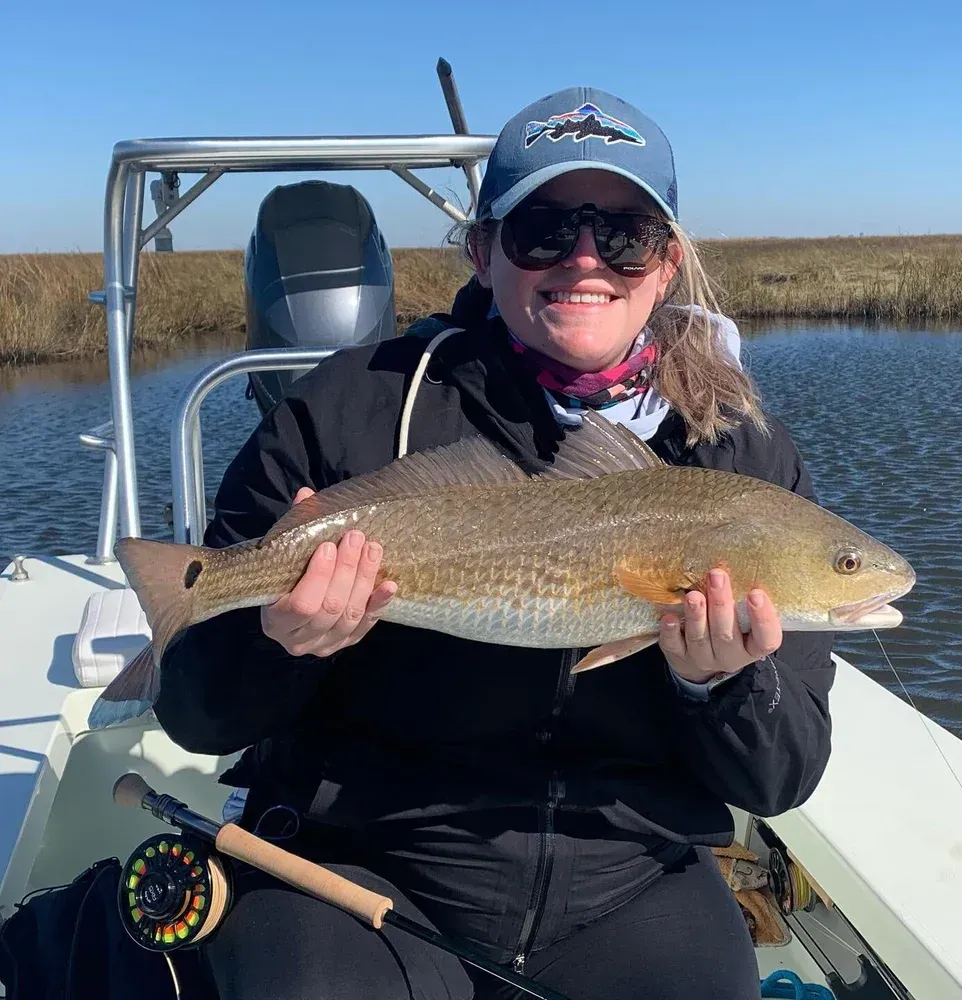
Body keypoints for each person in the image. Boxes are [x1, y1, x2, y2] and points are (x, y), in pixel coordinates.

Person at [154, 87, 836, 1000]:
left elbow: (779, 779)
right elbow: (198, 717)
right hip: (365, 861)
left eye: (625, 233)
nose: (585, 258)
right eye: (543, 230)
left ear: (667, 263)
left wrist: (720, 685)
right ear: (483, 250)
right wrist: (278, 646)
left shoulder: (740, 460)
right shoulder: (345, 412)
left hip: (629, 876)